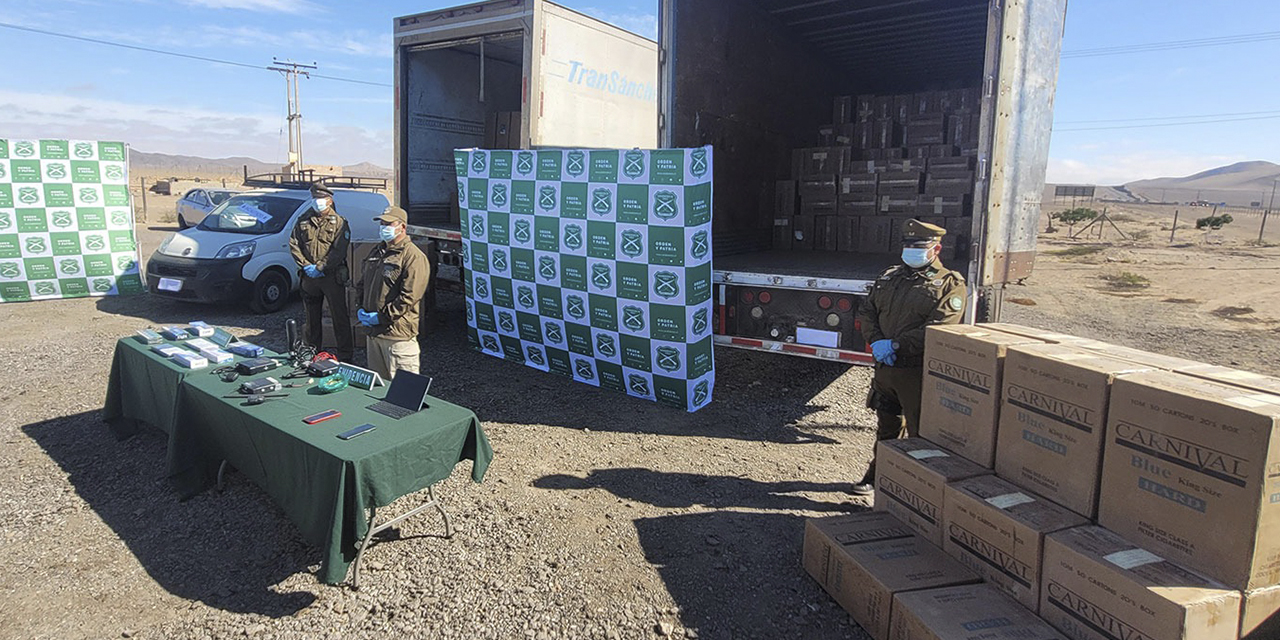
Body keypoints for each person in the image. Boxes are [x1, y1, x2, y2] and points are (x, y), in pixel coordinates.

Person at [851, 219, 967, 496]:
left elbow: (940, 327)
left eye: (919, 246)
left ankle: (915, 489)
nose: (911, 250)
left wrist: (897, 345)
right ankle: (876, 474)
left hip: (915, 373)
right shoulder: (889, 277)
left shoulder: (949, 284)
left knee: (918, 434)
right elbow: (867, 312)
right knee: (886, 428)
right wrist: (877, 341)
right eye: (908, 245)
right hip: (885, 371)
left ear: (935, 248)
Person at [357, 205, 429, 380]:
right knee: (378, 389)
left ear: (402, 227)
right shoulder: (378, 251)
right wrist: (360, 308)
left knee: (402, 392)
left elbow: (409, 297)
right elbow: (362, 284)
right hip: (374, 335)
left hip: (397, 337)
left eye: (388, 224)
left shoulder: (413, 257)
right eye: (382, 223)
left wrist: (381, 317)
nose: (383, 228)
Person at [289, 183, 353, 361]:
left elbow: (339, 250)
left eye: (321, 199)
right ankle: (312, 353)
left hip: (331, 277)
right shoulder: (303, 219)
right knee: (311, 318)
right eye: (315, 199)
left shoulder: (339, 222)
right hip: (309, 278)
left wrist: (321, 267)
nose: (317, 203)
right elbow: (294, 243)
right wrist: (305, 265)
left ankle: (346, 356)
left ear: (329, 200)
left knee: (339, 317)